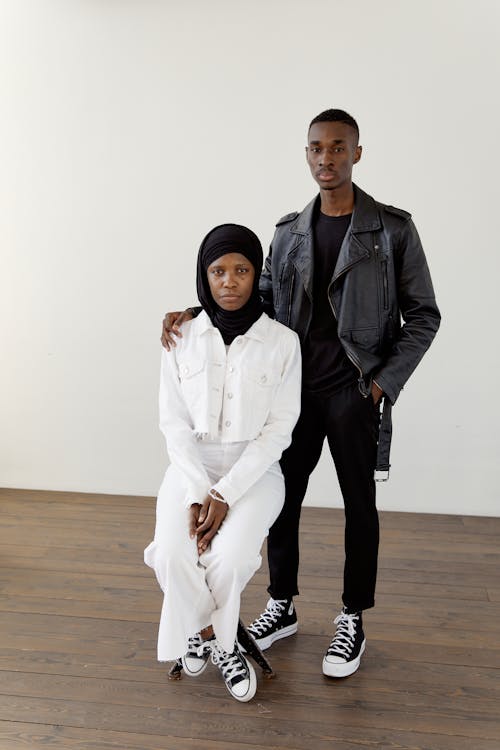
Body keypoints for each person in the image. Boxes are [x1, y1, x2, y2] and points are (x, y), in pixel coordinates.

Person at [161, 109, 440, 679]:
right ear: (306, 154)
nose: (326, 159)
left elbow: (425, 316)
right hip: (290, 395)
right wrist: (197, 313)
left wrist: (383, 381)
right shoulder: (288, 232)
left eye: (338, 148)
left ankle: (352, 615)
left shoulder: (392, 231)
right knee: (279, 499)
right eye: (316, 148)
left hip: (355, 390)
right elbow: (253, 299)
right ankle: (281, 603)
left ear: (357, 154)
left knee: (359, 506)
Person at [145, 223, 301, 702]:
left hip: (255, 472)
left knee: (229, 560)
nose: (229, 281)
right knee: (173, 554)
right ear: (204, 276)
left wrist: (223, 493)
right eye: (218, 271)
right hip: (190, 466)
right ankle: (212, 635)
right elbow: (173, 425)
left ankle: (207, 635)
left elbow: (279, 430)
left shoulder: (282, 342)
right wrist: (197, 490)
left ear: (256, 274)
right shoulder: (181, 336)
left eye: (241, 270)